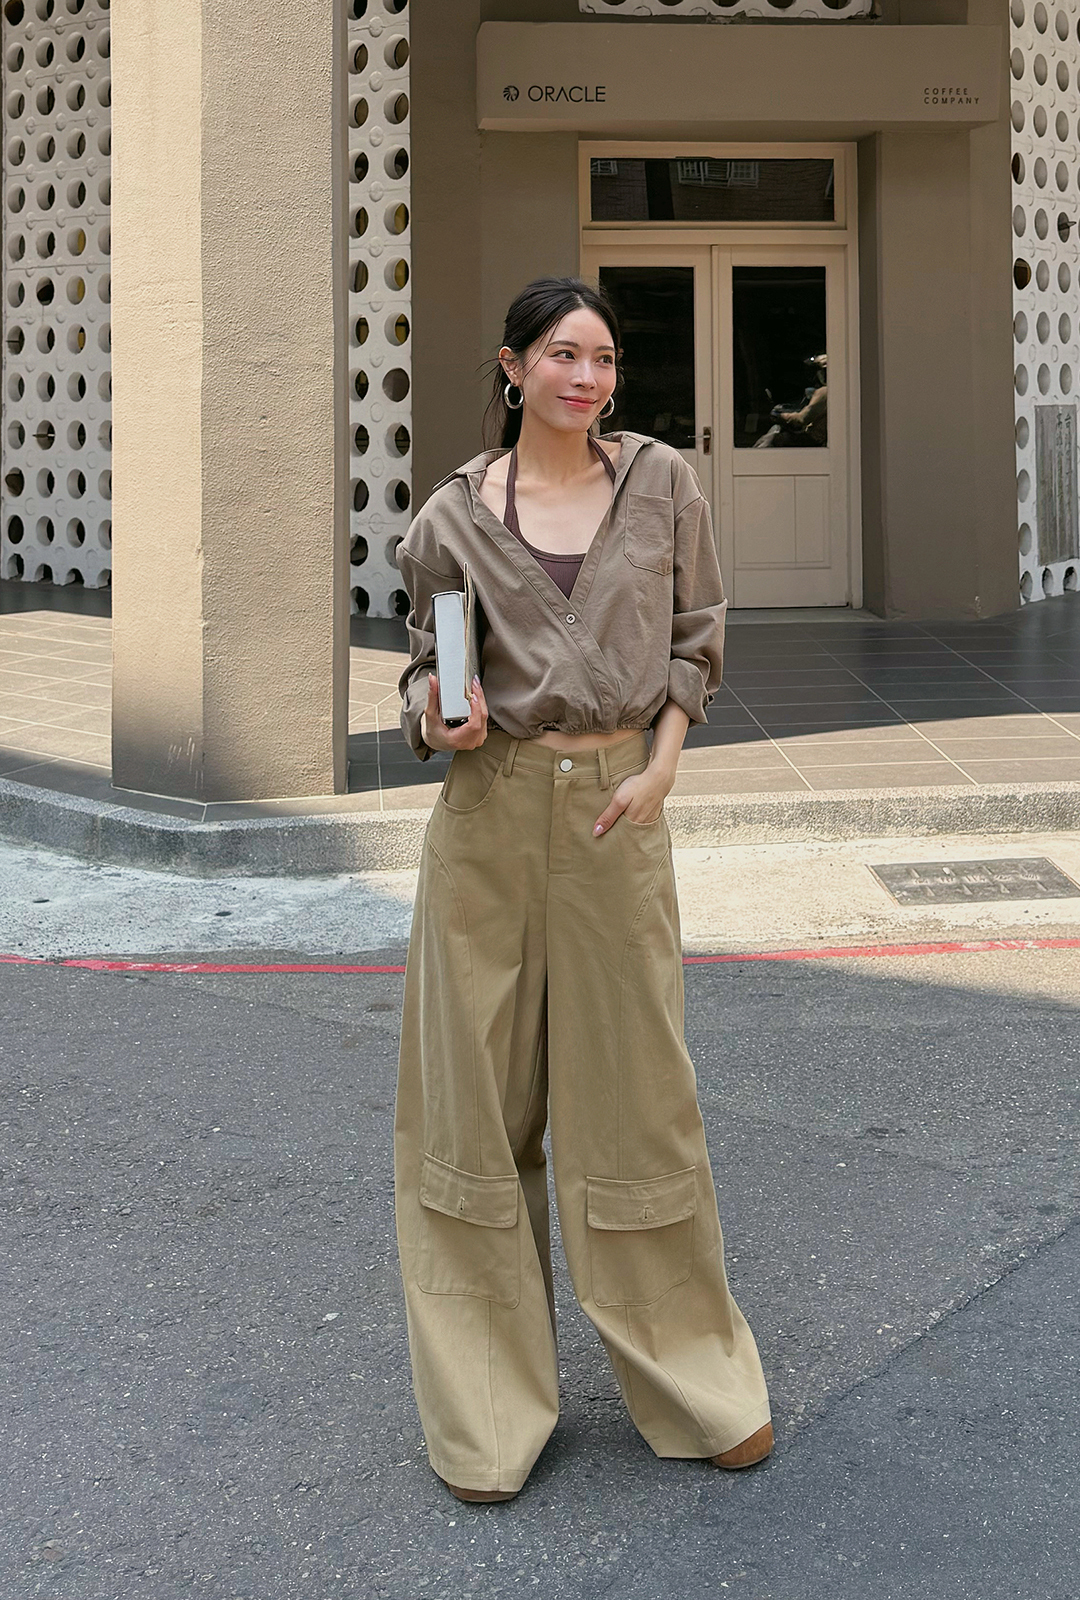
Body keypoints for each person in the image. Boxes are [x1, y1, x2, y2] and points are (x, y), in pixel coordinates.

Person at [393, 276, 772, 1503]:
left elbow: (696, 630)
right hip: (490, 814)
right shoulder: (453, 517)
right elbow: (429, 668)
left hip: (618, 806)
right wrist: (437, 716)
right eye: (563, 354)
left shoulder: (661, 482)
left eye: (603, 358)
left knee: (640, 1102)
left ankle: (698, 1381)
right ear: (513, 367)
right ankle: (486, 1418)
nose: (587, 377)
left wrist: (663, 764)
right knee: (471, 1114)